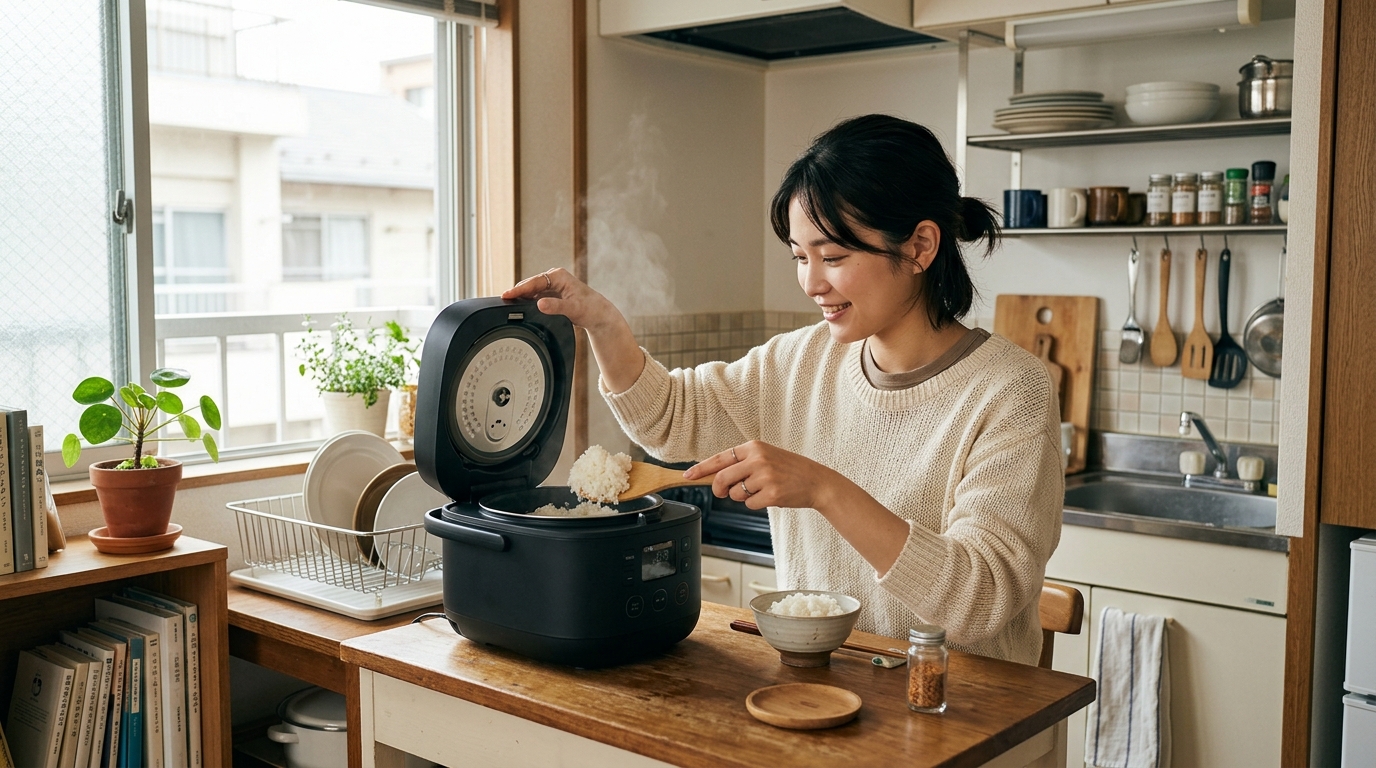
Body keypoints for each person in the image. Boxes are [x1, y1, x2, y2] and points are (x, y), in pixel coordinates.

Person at [503, 114, 1063, 665]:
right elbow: (669, 420)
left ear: (919, 246)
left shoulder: (1011, 392)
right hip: (819, 693)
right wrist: (602, 323)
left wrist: (825, 489)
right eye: (800, 256)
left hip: (961, 715)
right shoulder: (797, 361)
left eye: (834, 256)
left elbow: (981, 599)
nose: (811, 282)